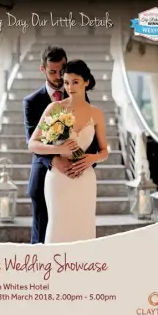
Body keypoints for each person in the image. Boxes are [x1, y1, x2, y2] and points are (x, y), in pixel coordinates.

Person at [27, 58, 107, 244]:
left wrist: (90, 159)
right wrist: (57, 149)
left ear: (86, 82)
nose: (70, 87)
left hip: (85, 178)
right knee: (57, 227)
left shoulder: (96, 114)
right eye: (66, 82)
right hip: (58, 179)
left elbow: (104, 151)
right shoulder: (55, 108)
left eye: (75, 82)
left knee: (84, 228)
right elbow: (33, 143)